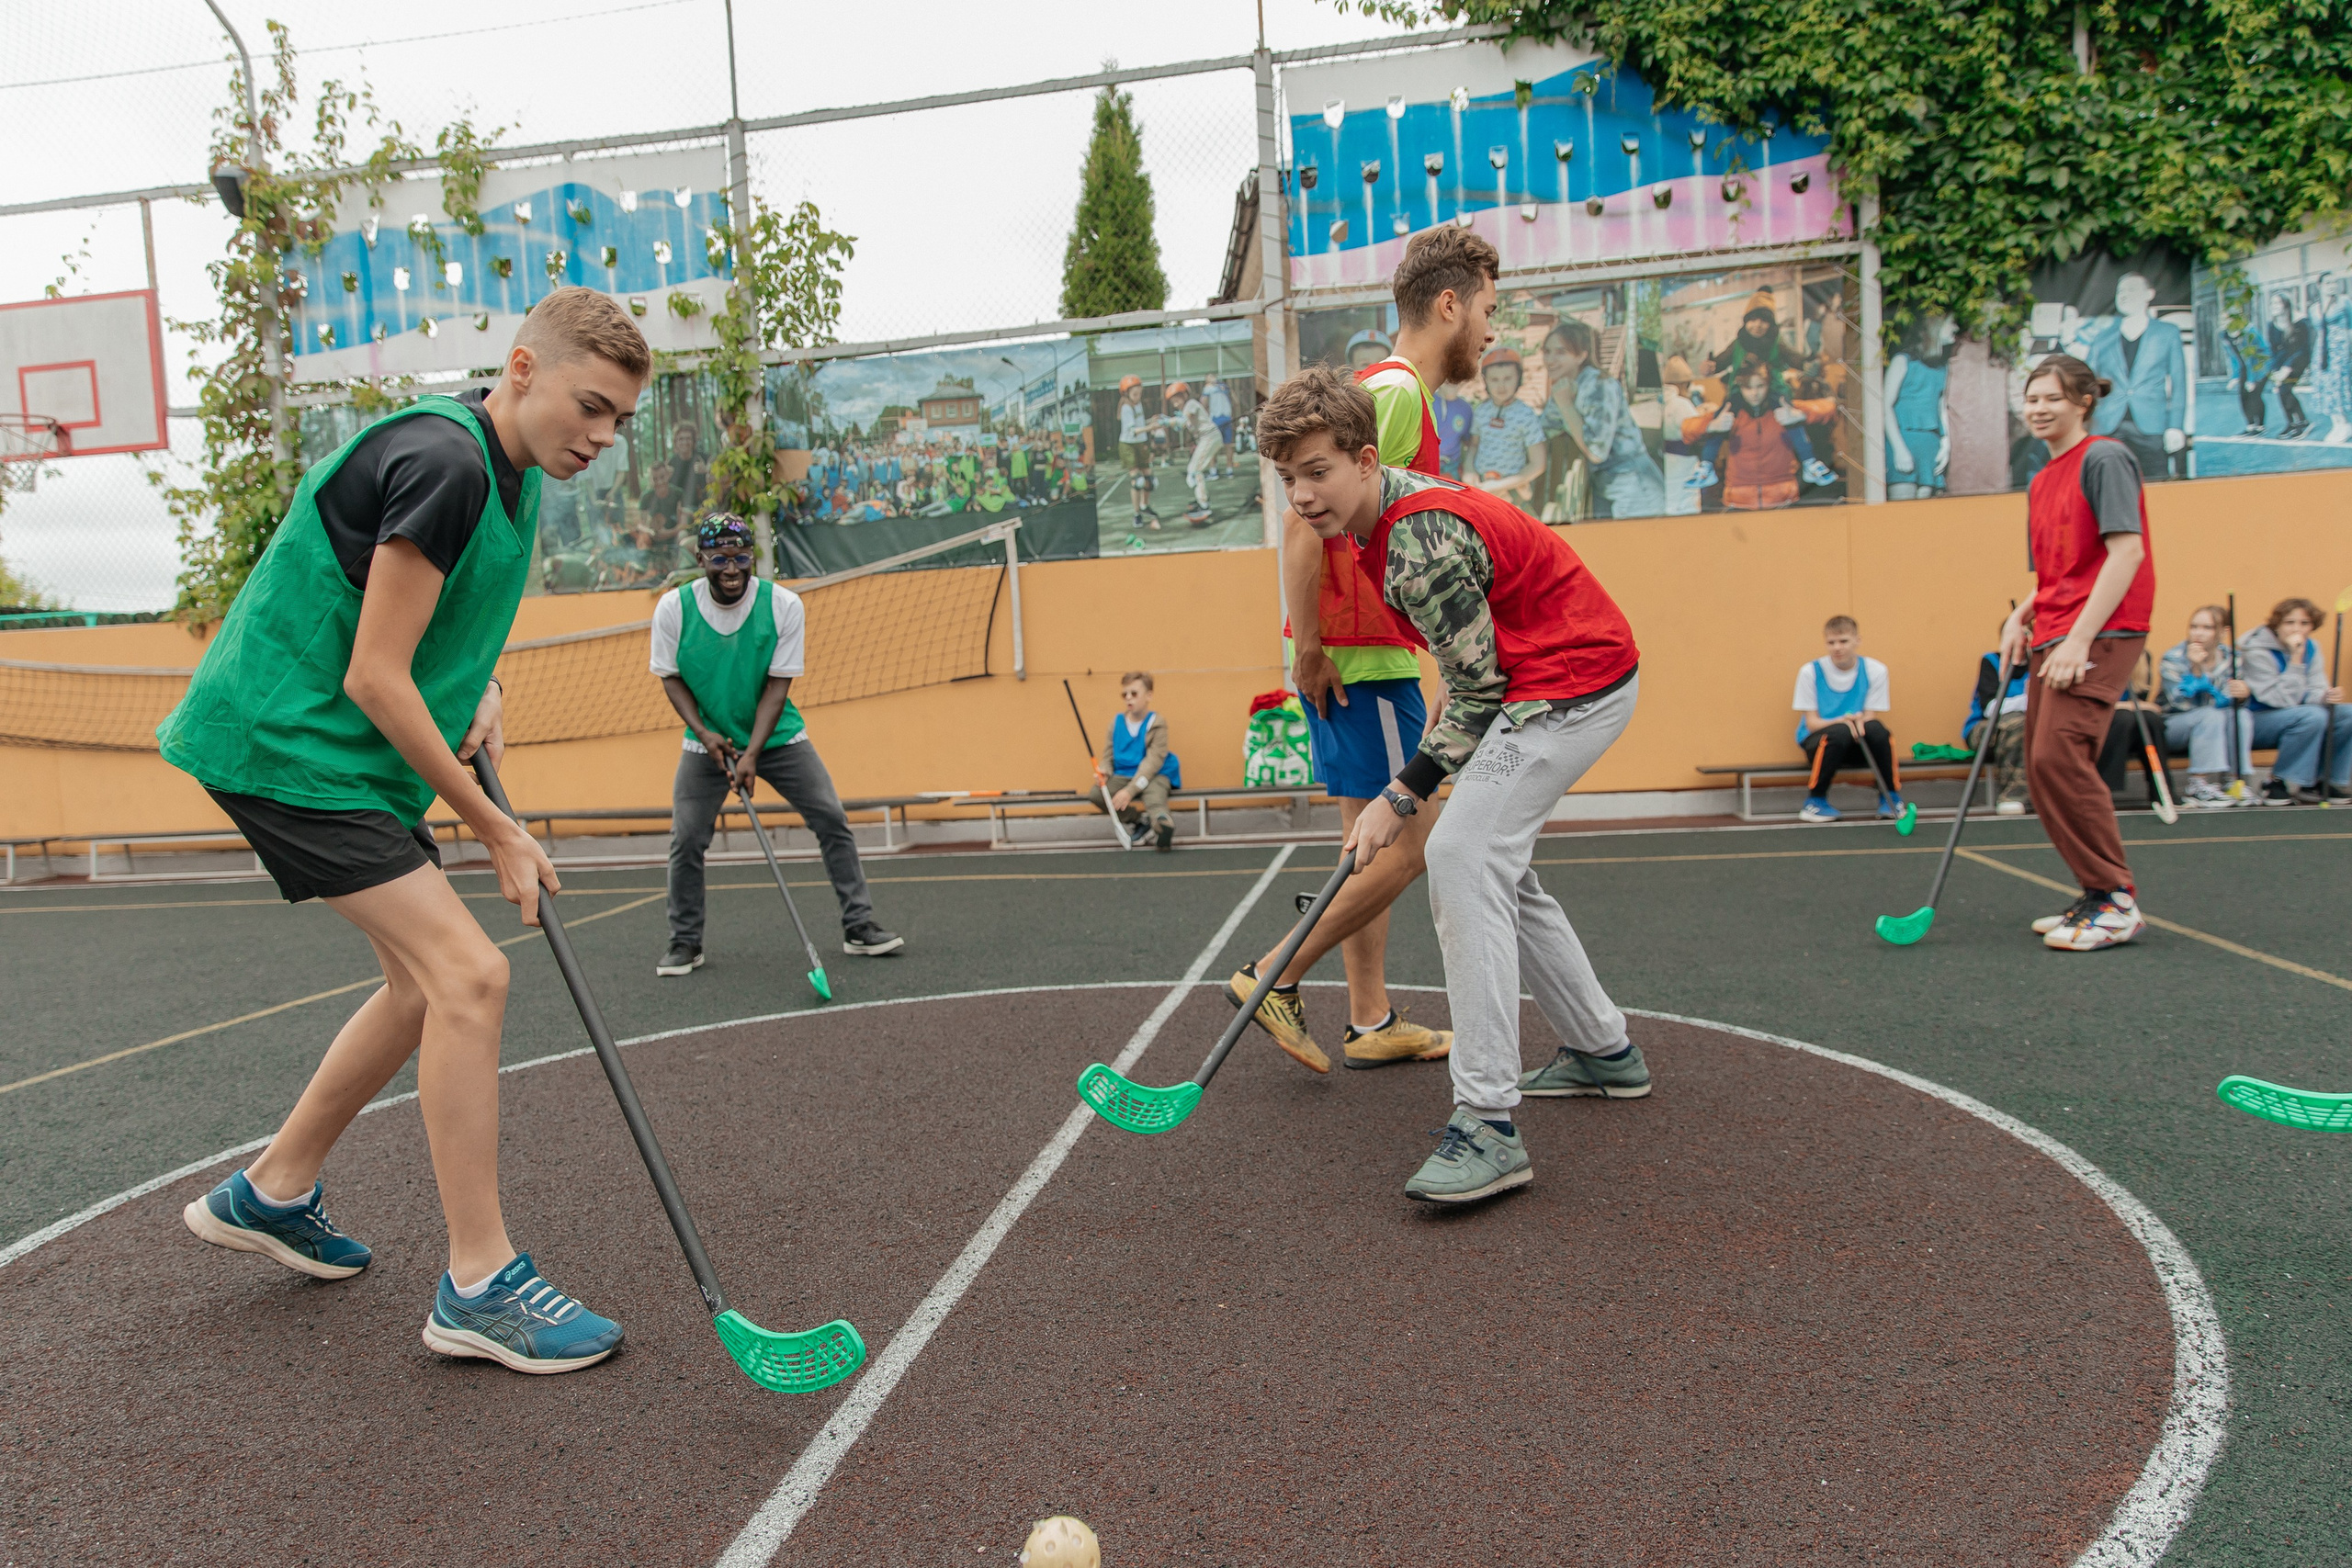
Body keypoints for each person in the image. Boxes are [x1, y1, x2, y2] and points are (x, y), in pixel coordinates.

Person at [157, 288, 650, 1374]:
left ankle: (274, 1191)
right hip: (290, 748)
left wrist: (476, 690)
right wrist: (495, 829)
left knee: (425, 988)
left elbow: (418, 636)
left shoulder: (507, 475)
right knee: (471, 976)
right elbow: (376, 675)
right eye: (591, 405)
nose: (604, 438)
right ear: (521, 369)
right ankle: (479, 1283)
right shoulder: (450, 461)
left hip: (340, 758)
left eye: (620, 419)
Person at [1259, 363, 1647, 1204]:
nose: (1303, 495)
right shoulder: (1375, 521)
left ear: (1366, 459)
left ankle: (1487, 1122)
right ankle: (1602, 1049)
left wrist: (1400, 797)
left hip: (1570, 684)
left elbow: (1477, 687)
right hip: (1544, 678)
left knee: (1465, 855)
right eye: (1288, 478)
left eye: (1318, 471)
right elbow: (1472, 673)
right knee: (1501, 864)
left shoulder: (1413, 544)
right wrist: (1417, 782)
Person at [1235, 225, 1500, 1075]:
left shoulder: (1398, 395)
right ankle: (1274, 974)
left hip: (1360, 650)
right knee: (1413, 843)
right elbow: (1303, 517)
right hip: (1362, 655)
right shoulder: (1393, 393)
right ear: (1449, 304)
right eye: (1488, 311)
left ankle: (1370, 1017)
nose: (1494, 332)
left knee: (1369, 844)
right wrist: (1309, 649)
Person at [652, 513, 901, 976]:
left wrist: (752, 754)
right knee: (686, 838)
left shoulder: (784, 606)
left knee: (830, 818)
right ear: (701, 558)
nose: (732, 569)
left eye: (742, 557)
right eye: (720, 558)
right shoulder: (673, 609)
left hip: (779, 737)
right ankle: (685, 941)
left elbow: (777, 687)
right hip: (706, 741)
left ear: (754, 557)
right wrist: (706, 735)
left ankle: (859, 926)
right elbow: (670, 677)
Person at [1997, 354, 2156, 952]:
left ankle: (2115, 898)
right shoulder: (2042, 478)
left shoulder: (2105, 457)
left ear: (2084, 400)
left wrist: (2082, 638)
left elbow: (2126, 554)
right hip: (2055, 627)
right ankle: (2095, 892)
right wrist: (2021, 615)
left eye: (2051, 398)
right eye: (2031, 399)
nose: (2038, 409)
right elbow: (2059, 571)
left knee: (2061, 756)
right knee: (2040, 767)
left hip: (2101, 630)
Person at [1543, 321, 1666, 519]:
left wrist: (1566, 405)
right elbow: (1546, 429)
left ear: (1581, 356)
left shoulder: (1600, 385)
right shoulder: (1564, 386)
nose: (1550, 359)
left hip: (1634, 486)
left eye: (1560, 352)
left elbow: (1596, 450)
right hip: (1603, 486)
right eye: (1547, 351)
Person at [2238, 595, 2352, 803]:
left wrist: (2326, 696)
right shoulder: (2255, 650)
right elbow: (2281, 699)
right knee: (2312, 716)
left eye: (2304, 623)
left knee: (2346, 714)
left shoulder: (2312, 647)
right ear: (2277, 625)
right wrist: (2296, 659)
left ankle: (2323, 781)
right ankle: (2279, 780)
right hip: (2258, 719)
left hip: (2300, 715)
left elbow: (2314, 688)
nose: (2296, 629)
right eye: (2289, 623)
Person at [1792, 615, 1904, 823]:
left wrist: (1857, 722)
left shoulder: (1875, 670)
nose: (1837, 648)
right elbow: (1811, 723)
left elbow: (1869, 717)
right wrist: (1844, 722)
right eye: (1831, 642)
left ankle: (1891, 798)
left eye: (1843, 641)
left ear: (1857, 641)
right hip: (1820, 743)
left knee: (1878, 730)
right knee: (1840, 732)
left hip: (1856, 740)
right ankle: (1815, 801)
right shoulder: (1810, 672)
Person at [1687, 361, 1838, 510]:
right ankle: (1706, 466)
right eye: (1748, 388)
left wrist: (1801, 414)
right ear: (1741, 389)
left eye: (1760, 386)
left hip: (1781, 496)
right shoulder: (1731, 411)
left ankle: (1810, 463)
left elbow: (1830, 406)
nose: (1754, 393)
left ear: (1768, 385)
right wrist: (1711, 425)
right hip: (1739, 499)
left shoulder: (1782, 408)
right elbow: (1686, 428)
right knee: (1717, 427)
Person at [2081, 273, 2188, 479]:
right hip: (2108, 426)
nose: (2124, 295)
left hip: (2152, 427)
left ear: (2149, 294)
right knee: (2108, 485)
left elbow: (2179, 382)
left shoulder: (2167, 333)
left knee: (2156, 485)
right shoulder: (2102, 338)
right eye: (2121, 291)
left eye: (2131, 289)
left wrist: (2175, 426)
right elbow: (2087, 382)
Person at [2156, 604, 2252, 809]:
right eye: (2194, 627)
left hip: (2212, 720)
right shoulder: (2173, 658)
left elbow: (2227, 700)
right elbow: (2181, 703)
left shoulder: (2232, 658)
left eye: (2207, 628)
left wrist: (2241, 693)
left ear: (2223, 632)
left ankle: (2234, 782)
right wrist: (2196, 669)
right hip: (2174, 725)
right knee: (2210, 715)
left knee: (2241, 716)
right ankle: (2198, 785)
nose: (2198, 633)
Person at [1093, 671, 1180, 851]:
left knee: (1154, 798)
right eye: (1124, 694)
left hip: (1156, 773)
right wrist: (1104, 771)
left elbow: (1153, 762)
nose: (1128, 698)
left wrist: (1130, 791)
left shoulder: (1157, 723)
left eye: (1134, 693)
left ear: (1149, 695)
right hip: (1124, 773)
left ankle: (1162, 825)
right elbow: (1108, 756)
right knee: (1097, 794)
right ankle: (1139, 821)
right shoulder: (1116, 723)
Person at [1461, 346, 1547, 506]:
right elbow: (1474, 445)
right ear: (1485, 381)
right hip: (1482, 483)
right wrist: (1469, 469)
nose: (1501, 385)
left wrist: (1499, 486)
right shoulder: (1481, 411)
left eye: (1508, 378)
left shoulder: (1526, 415)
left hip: (1511, 490)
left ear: (1518, 378)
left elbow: (1538, 464)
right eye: (1494, 380)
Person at [1884, 314, 1956, 500]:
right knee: (1902, 513)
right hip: (1904, 440)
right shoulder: (1902, 361)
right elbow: (1885, 406)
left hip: (1930, 443)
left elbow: (1941, 407)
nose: (1955, 328)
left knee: (1927, 514)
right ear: (1936, 327)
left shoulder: (1942, 367)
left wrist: (1946, 442)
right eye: (1951, 323)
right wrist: (1899, 449)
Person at [1963, 637, 2032, 814]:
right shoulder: (1992, 662)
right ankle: (2013, 796)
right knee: (2019, 725)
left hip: (2031, 727)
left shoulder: (2041, 664)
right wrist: (2031, 700)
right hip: (1985, 729)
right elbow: (1991, 707)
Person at [1166, 381, 1222, 523]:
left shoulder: (1190, 404)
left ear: (1184, 395)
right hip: (1207, 439)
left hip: (1210, 437)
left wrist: (1169, 421)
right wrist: (1174, 422)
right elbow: (1182, 426)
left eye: (1177, 400)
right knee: (1193, 470)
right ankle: (1201, 499)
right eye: (1173, 402)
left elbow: (1183, 422)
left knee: (1195, 471)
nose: (1175, 404)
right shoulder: (1186, 408)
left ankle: (1204, 505)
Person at [1657, 355, 1704, 515]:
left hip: (1665, 464)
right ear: (1684, 384)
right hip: (1685, 463)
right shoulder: (1681, 404)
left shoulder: (1659, 401)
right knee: (1686, 506)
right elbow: (1697, 431)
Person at [2266, 289, 2312, 440]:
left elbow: (2302, 349)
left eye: (2277, 302)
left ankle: (2302, 422)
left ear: (2286, 304)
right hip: (2283, 361)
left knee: (2286, 387)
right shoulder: (2272, 325)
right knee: (2281, 389)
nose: (2273, 305)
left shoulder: (2301, 321)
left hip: (2299, 359)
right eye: (2272, 303)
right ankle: (2291, 423)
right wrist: (2274, 370)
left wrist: (2286, 368)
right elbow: (2274, 350)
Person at [1115, 375, 1157, 529]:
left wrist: (1150, 422)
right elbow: (1132, 430)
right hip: (1128, 445)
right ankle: (1137, 513)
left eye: (1139, 393)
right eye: (1134, 394)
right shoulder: (1126, 407)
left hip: (1140, 443)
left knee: (1149, 479)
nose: (1138, 396)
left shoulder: (1138, 404)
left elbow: (1139, 425)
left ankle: (1145, 506)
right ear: (1126, 393)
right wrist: (1150, 428)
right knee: (1137, 481)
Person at [1204, 375, 1237, 477]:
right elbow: (1236, 402)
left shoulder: (1208, 388)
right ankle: (1229, 471)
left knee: (1212, 446)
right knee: (1228, 445)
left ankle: (1213, 472)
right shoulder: (1225, 387)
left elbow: (1203, 404)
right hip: (1227, 418)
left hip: (1216, 419)